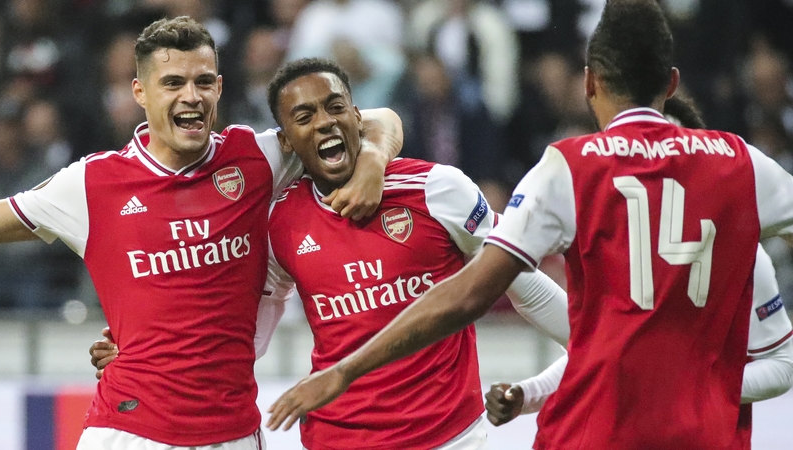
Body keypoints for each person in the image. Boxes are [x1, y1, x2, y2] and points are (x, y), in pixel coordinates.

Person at [265, 2, 793, 448]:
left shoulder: (566, 168)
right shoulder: (741, 165)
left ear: (590, 83)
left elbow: (477, 293)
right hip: (703, 433)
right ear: (672, 82)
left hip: (580, 430)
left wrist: (344, 371)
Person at [92, 57, 569, 449]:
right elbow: (248, 322)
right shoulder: (281, 222)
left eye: (334, 106)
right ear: (289, 141)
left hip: (451, 438)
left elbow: (525, 287)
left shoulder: (437, 188)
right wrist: (150, 349)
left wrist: (553, 370)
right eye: (304, 117)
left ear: (356, 115)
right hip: (336, 439)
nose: (324, 123)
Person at [0, 16, 402, 450]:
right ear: (140, 93)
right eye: (172, 83)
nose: (191, 96)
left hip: (232, 433)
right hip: (128, 432)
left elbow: (379, 117)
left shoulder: (256, 157)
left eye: (203, 82)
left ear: (220, 88)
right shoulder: (92, 184)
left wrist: (374, 162)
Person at [484, 97, 793, 441]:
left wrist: (700, 384)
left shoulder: (743, 253)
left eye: (672, 142)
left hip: (703, 436)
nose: (656, 158)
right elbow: (597, 352)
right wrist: (528, 393)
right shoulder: (619, 244)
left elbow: (783, 364)